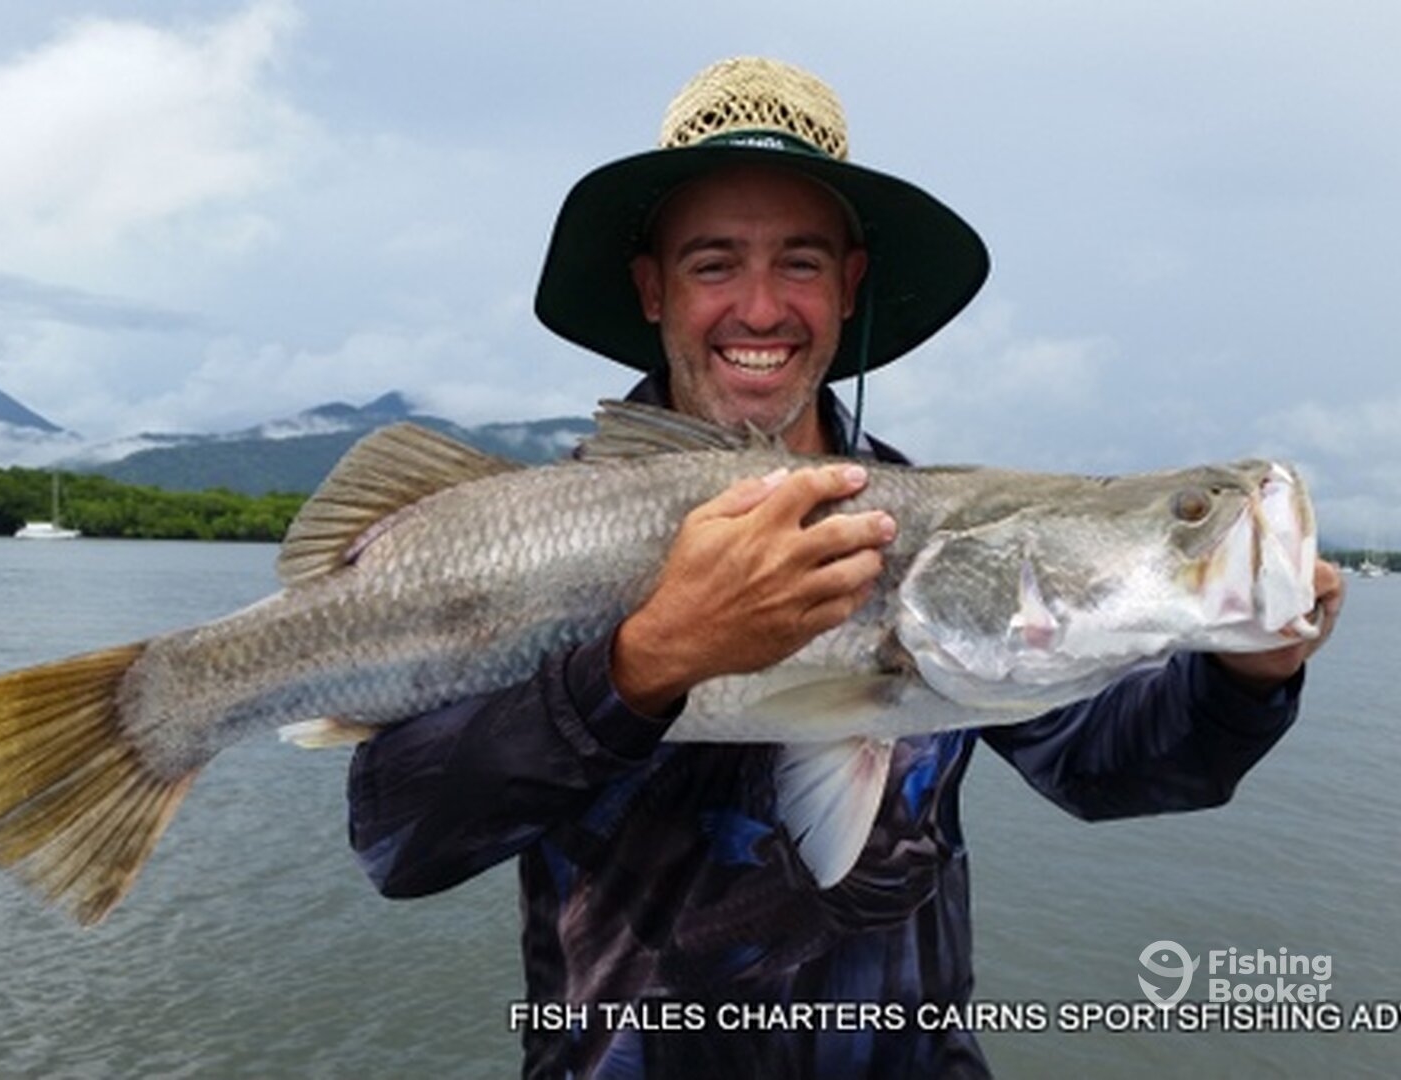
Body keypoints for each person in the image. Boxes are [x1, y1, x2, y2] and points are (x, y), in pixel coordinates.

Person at [347, 57, 1343, 1078]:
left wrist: (1245, 673)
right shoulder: (523, 535)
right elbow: (400, 839)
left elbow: (1110, 769)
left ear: (849, 283)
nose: (761, 308)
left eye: (802, 262)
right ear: (652, 287)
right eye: (713, 263)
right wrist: (642, 662)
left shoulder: (942, 540)